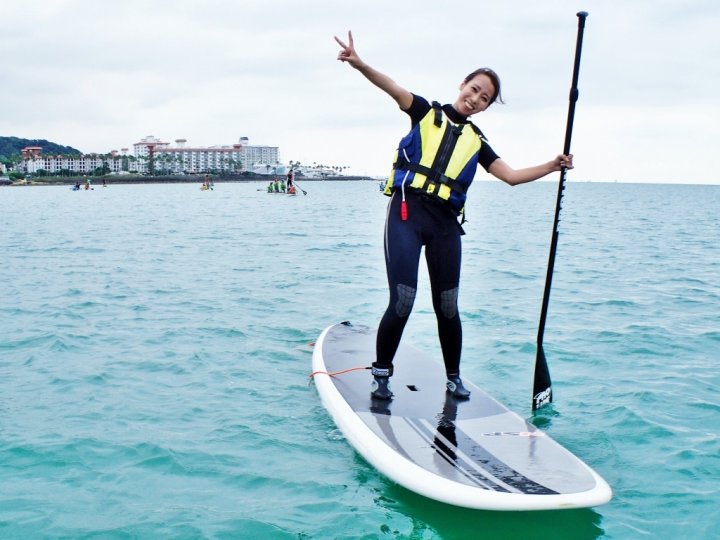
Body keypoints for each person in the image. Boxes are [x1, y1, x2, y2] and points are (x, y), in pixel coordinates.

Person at [335, 31, 574, 401]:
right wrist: (360, 63)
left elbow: (510, 176)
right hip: (406, 214)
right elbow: (392, 87)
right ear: (462, 84)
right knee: (403, 298)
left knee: (448, 305)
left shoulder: (477, 142)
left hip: (445, 225)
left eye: (485, 98)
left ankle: (453, 378)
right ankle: (381, 373)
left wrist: (552, 166)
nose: (475, 98)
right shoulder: (425, 113)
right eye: (474, 89)